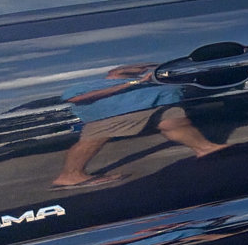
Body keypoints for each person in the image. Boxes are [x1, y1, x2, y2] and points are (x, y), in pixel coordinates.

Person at [52, 64, 227, 188]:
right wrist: (134, 82)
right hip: (112, 115)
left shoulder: (148, 80)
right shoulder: (92, 84)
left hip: (154, 106)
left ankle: (206, 148)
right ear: (115, 71)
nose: (141, 68)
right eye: (137, 66)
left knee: (174, 123)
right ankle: (70, 175)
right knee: (92, 141)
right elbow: (75, 99)